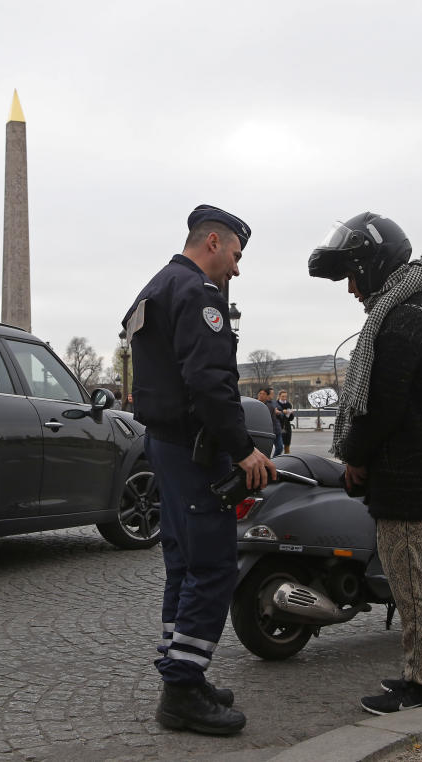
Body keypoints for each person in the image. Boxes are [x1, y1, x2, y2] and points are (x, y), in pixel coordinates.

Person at [123, 204, 276, 735]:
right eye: (235, 255)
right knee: (211, 567)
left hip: (164, 446)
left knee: (183, 567)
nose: (236, 268)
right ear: (213, 243)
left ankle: (180, 671)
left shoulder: (156, 287)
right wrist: (243, 450)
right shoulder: (197, 295)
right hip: (193, 450)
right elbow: (210, 383)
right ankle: (183, 690)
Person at [308, 212, 422, 715]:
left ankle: (421, 686)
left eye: (354, 273)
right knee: (417, 581)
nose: (351, 287)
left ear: (373, 265)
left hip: (410, 478)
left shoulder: (400, 319)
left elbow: (382, 407)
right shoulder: (419, 306)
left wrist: (353, 456)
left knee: (411, 583)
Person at [256, 387, 283, 457]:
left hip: (271, 431)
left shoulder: (271, 406)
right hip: (258, 431)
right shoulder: (254, 404)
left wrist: (279, 413)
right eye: (260, 393)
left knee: (279, 447)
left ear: (266, 396)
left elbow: (273, 420)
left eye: (263, 394)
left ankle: (272, 461)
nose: (261, 395)